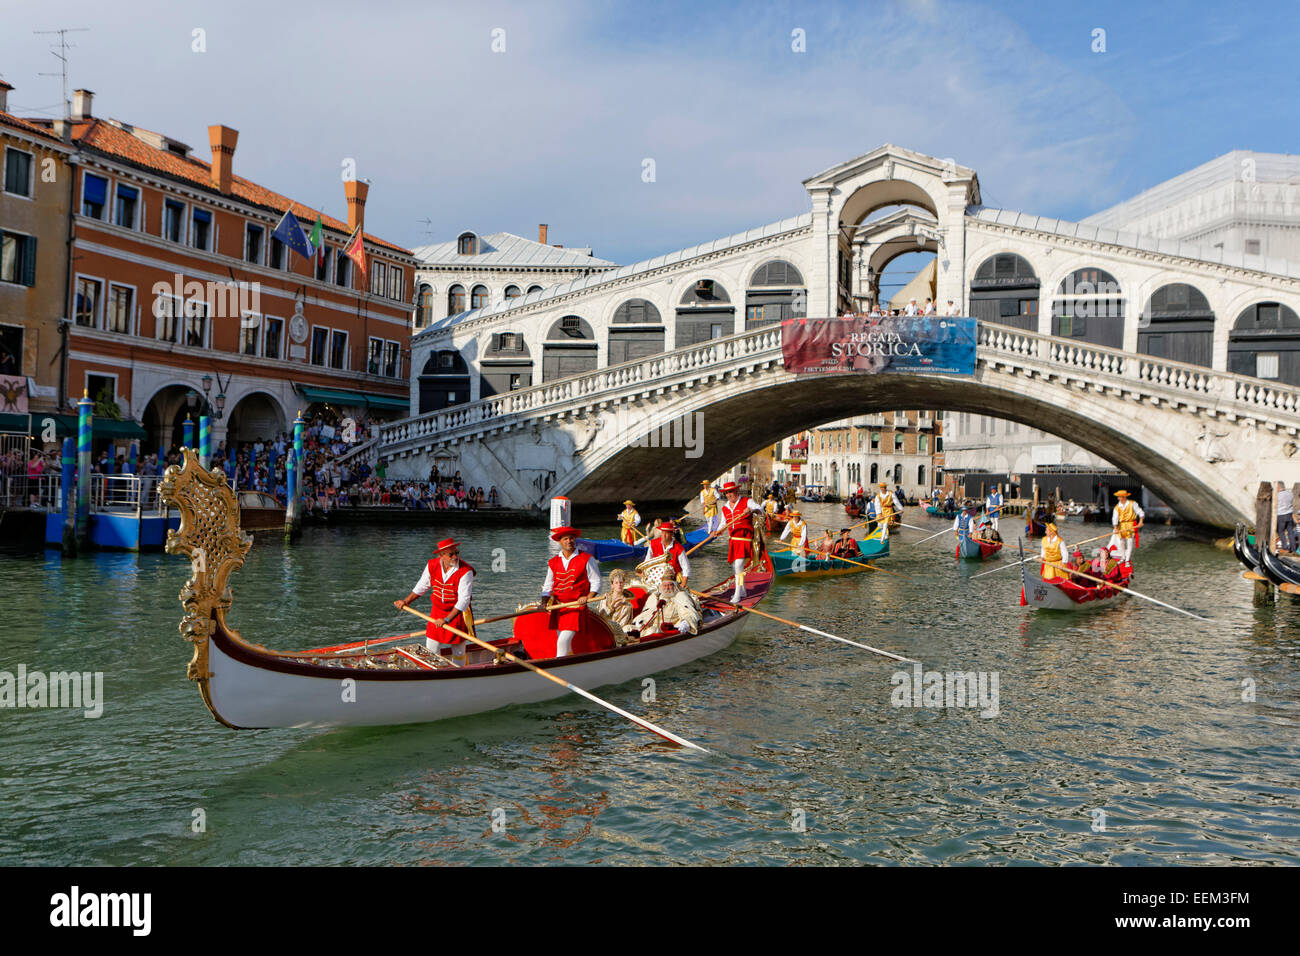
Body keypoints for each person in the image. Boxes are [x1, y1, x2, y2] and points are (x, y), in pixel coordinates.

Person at [393, 537, 475, 664]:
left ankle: (459, 674)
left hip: (456, 614)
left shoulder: (466, 571)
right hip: (436, 612)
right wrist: (406, 601)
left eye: (457, 553)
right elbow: (422, 586)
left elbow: (463, 600)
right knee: (431, 649)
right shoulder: (432, 565)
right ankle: (434, 672)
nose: (455, 557)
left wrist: (447, 619)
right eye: (451, 554)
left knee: (458, 652)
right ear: (441, 555)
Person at [540, 525, 601, 657]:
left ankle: (558, 666)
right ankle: (568, 663)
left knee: (562, 641)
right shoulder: (553, 562)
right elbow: (547, 586)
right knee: (562, 639)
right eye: (566, 539)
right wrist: (543, 603)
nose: (569, 541)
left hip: (575, 607)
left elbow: (596, 582)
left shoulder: (587, 558)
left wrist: (587, 597)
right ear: (560, 541)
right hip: (558, 606)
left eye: (571, 538)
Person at [720, 480, 762, 602]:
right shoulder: (725, 507)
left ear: (736, 491)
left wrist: (751, 510)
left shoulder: (746, 501)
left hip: (744, 539)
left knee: (738, 565)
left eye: (731, 492)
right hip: (733, 540)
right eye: (727, 493)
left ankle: (737, 593)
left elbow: (759, 509)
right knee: (736, 566)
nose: (729, 495)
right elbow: (723, 524)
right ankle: (742, 589)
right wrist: (717, 531)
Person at [628, 577, 700, 638]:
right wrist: (639, 621)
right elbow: (646, 612)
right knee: (627, 628)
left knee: (652, 630)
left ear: (674, 586)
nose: (667, 588)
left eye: (670, 585)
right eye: (665, 585)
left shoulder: (680, 596)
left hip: (668, 628)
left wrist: (685, 623)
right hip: (649, 626)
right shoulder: (655, 596)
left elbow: (687, 613)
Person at [643, 520, 691, 587]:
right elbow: (647, 562)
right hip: (656, 578)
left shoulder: (678, 548)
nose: (664, 535)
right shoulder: (653, 544)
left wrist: (683, 584)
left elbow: (686, 568)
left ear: (671, 534)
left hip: (674, 579)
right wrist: (643, 574)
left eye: (666, 533)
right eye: (662, 533)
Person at [1108, 490, 1145, 562]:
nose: (1118, 498)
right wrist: (1115, 528)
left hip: (1131, 524)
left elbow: (1140, 512)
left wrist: (1140, 522)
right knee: (1121, 541)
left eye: (1119, 497)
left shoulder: (1132, 504)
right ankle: (1123, 557)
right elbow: (1115, 518)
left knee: (1130, 541)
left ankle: (1127, 559)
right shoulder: (1117, 507)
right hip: (1122, 525)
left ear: (1124, 497)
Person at [598, 568, 636, 637]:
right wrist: (612, 607)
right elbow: (601, 618)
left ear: (624, 583)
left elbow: (622, 625)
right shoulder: (605, 599)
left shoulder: (627, 606)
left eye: (621, 582)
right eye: (616, 583)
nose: (619, 585)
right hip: (603, 629)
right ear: (612, 585)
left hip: (618, 633)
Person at [1276, 481, 1295, 554]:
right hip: (1289, 514)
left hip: (1281, 515)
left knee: (1280, 532)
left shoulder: (1277, 495)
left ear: (1279, 487)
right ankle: (1293, 549)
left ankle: (1285, 547)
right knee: (1290, 532)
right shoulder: (1290, 494)